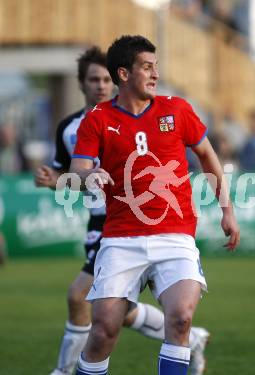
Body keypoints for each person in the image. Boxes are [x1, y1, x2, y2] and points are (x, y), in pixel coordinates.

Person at [34, 46, 210, 375]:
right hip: (106, 223)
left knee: (82, 299)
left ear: (114, 79)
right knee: (109, 317)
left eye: (105, 79)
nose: (101, 85)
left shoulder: (163, 112)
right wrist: (56, 180)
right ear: (82, 84)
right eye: (94, 79)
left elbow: (205, 152)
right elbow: (70, 177)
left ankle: (62, 372)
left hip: (146, 225)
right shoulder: (73, 128)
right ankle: (194, 338)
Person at [69, 36, 239, 375]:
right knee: (103, 330)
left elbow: (207, 155)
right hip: (121, 239)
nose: (155, 74)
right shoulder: (98, 118)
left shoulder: (177, 110)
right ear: (124, 74)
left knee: (181, 319)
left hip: (175, 235)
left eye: (155, 66)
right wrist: (91, 176)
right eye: (146, 67)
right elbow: (78, 170)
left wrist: (227, 210)